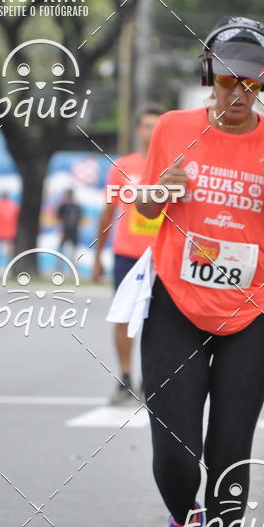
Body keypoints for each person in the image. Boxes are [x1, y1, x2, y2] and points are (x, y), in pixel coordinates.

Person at [134, 17, 264, 527]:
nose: (237, 95)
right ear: (208, 74)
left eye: (251, 85)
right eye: (228, 81)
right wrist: (157, 192)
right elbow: (143, 211)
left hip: (251, 313)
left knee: (231, 448)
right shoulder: (173, 128)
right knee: (175, 450)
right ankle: (184, 519)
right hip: (176, 305)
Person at [93, 105, 166, 404]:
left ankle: (155, 380)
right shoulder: (123, 166)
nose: (151, 132)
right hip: (127, 255)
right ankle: (125, 379)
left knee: (160, 322)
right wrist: (98, 255)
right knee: (124, 317)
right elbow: (108, 211)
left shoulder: (174, 166)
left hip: (164, 257)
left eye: (157, 126)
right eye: (147, 126)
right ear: (138, 130)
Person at [0, 192, 19, 266]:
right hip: (10, 231)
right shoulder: (13, 205)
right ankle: (11, 265)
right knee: (10, 250)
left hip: (0, 230)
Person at [56, 189, 83, 262]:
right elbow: (59, 219)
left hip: (74, 231)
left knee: (74, 252)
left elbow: (79, 219)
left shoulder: (77, 207)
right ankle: (57, 270)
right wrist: (60, 230)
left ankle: (74, 269)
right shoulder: (63, 207)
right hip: (65, 230)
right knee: (60, 251)